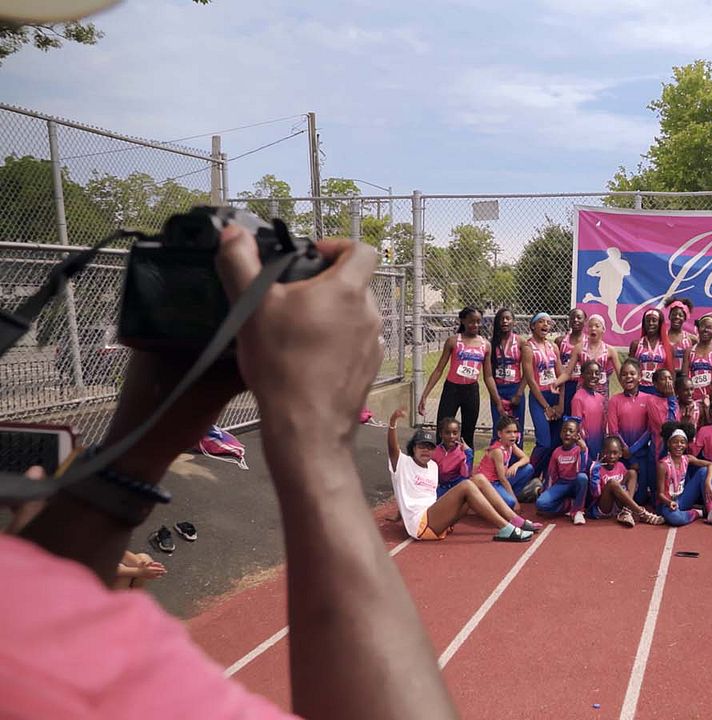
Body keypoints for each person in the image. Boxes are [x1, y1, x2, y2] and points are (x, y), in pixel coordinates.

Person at [6, 225, 456, 718]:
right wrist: (317, 438)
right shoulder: (59, 666)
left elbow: (46, 607)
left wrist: (140, 440)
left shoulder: (23, 601)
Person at [388, 411, 533, 542]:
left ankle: (515, 520)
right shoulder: (403, 463)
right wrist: (393, 421)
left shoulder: (432, 466)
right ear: (413, 448)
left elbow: (412, 492)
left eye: (430, 447)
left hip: (439, 519)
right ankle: (506, 528)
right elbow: (392, 448)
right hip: (421, 525)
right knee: (467, 485)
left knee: (479, 479)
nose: (426, 450)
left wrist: (468, 455)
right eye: (421, 446)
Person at [417, 306, 489, 450]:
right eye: (471, 321)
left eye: (478, 322)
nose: (475, 325)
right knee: (442, 430)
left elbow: (489, 376)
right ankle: (438, 466)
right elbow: (438, 370)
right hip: (452, 389)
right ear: (462, 321)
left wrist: (497, 401)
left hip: (471, 391)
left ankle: (466, 468)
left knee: (468, 434)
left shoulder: (485, 345)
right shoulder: (453, 341)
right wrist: (425, 395)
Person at [524, 311, 576, 482]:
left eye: (548, 322)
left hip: (555, 397)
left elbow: (561, 375)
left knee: (554, 443)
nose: (545, 325)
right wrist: (546, 407)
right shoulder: (527, 347)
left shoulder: (553, 347)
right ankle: (528, 477)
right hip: (539, 399)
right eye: (541, 322)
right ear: (533, 325)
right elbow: (531, 380)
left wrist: (560, 404)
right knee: (544, 442)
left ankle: (548, 477)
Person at [607, 359, 659, 506]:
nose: (628, 377)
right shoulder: (614, 401)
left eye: (632, 373)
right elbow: (613, 430)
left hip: (641, 454)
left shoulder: (649, 399)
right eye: (623, 374)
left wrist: (633, 450)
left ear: (640, 376)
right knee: (623, 498)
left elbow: (650, 429)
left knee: (640, 499)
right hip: (622, 456)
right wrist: (626, 453)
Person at [655, 422, 712, 526]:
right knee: (675, 519)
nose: (679, 445)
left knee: (704, 471)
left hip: (683, 498)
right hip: (668, 503)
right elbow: (660, 494)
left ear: (686, 445)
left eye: (682, 442)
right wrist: (669, 503)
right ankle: (699, 512)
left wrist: (708, 482)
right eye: (675, 442)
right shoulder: (663, 465)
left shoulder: (687, 459)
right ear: (668, 444)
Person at [586, 436, 665, 526]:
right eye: (608, 453)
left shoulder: (620, 466)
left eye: (615, 453)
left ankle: (626, 511)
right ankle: (642, 513)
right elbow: (595, 494)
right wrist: (594, 475)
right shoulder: (598, 468)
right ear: (602, 453)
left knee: (632, 473)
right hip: (605, 507)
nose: (611, 456)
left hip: (619, 505)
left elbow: (627, 487)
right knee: (612, 483)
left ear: (620, 454)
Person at [472, 416, 540, 515]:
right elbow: (502, 478)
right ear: (500, 434)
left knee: (528, 469)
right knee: (510, 503)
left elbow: (526, 458)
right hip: (490, 484)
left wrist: (515, 465)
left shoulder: (511, 445)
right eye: (508, 432)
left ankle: (511, 495)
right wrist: (515, 502)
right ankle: (488, 502)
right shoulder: (498, 451)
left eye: (515, 432)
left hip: (499, 481)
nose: (513, 435)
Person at [535, 419, 589, 525]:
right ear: (560, 434)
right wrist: (546, 490)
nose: (567, 434)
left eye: (570, 431)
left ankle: (577, 511)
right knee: (541, 503)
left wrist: (583, 451)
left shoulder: (580, 450)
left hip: (576, 483)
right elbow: (551, 474)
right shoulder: (557, 452)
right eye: (564, 431)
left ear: (577, 435)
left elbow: (583, 469)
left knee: (583, 477)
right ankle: (568, 504)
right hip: (562, 483)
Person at [486, 308, 526, 443]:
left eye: (508, 318)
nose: (504, 321)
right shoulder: (491, 344)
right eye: (501, 319)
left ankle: (516, 462)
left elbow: (528, 372)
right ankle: (497, 461)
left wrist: (519, 394)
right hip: (498, 389)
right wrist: (497, 400)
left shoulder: (521, 342)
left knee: (516, 429)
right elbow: (488, 374)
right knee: (499, 428)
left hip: (515, 389)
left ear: (514, 322)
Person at [629, 308, 673, 395]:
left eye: (654, 320)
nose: (651, 323)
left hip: (660, 390)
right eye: (648, 321)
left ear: (660, 324)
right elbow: (630, 368)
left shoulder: (667, 347)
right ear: (644, 324)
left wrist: (671, 392)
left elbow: (671, 371)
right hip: (640, 390)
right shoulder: (636, 344)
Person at [683, 314, 712, 402]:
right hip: (693, 398)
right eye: (703, 326)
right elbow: (684, 377)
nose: (705, 330)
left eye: (709, 327)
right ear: (698, 329)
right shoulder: (689, 351)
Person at [569, 360, 608, 459]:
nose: (593, 376)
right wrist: (583, 445)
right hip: (585, 447)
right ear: (582, 375)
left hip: (599, 444)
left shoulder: (601, 398)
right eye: (589, 373)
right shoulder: (578, 398)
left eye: (596, 373)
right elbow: (577, 426)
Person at [579, 314, 622, 392]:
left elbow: (620, 375)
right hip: (583, 390)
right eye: (590, 326)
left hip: (602, 391)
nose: (593, 328)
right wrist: (556, 383)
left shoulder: (610, 350)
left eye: (597, 326)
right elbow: (568, 373)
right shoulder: (579, 348)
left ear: (603, 329)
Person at [556, 308, 587, 410]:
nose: (575, 320)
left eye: (579, 317)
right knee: (563, 416)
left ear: (585, 320)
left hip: (582, 385)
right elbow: (556, 364)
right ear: (569, 321)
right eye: (572, 317)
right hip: (565, 385)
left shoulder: (589, 342)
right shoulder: (560, 341)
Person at [664, 297, 696, 367]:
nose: (677, 317)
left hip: (684, 376)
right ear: (669, 316)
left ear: (685, 318)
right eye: (674, 314)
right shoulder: (662, 336)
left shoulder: (692, 339)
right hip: (666, 376)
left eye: (680, 315)